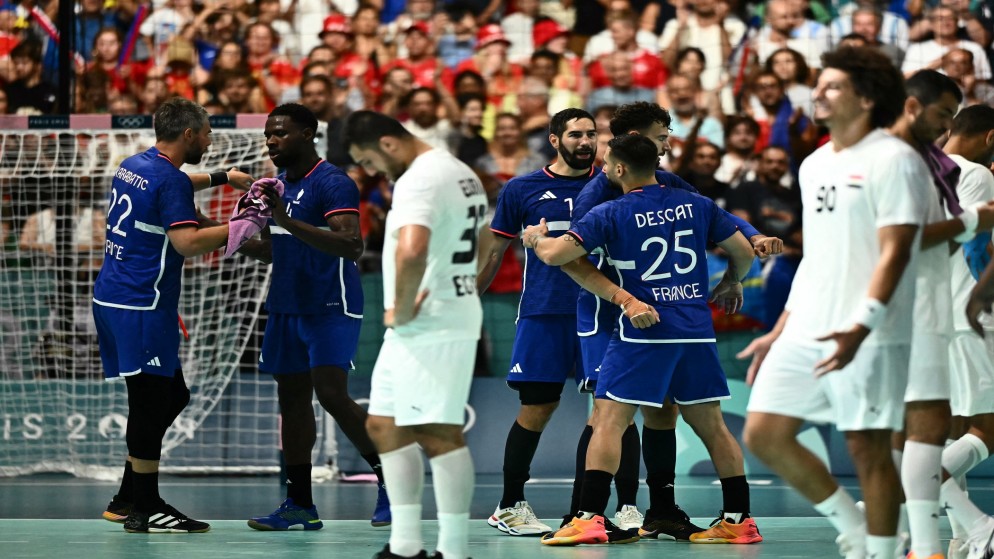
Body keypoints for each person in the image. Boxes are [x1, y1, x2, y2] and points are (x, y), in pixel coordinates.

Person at [739, 47, 932, 559]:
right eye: (819, 84)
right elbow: (818, 256)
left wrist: (861, 325)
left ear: (865, 98)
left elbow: (896, 252)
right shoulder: (814, 164)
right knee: (765, 433)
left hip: (871, 331)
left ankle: (883, 551)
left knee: (869, 449)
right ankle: (856, 529)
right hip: (808, 325)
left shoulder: (895, 160)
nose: (819, 93)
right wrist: (780, 328)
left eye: (833, 86)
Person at [526, 133, 761, 546]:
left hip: (644, 331)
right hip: (696, 331)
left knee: (608, 420)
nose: (604, 169)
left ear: (619, 168)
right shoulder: (696, 204)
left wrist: (535, 239)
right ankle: (738, 521)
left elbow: (556, 256)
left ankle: (588, 518)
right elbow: (743, 250)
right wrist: (731, 281)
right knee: (714, 428)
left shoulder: (612, 211)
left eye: (606, 164)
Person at [236, 103, 390, 531]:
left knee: (332, 395)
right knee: (291, 402)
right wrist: (215, 228)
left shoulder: (332, 182)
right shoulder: (277, 186)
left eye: (280, 133)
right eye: (268, 135)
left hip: (330, 304)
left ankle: (393, 480)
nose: (271, 141)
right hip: (286, 304)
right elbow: (273, 249)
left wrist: (284, 218)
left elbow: (351, 243)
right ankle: (300, 504)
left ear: (308, 134)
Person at [344, 110, 487, 559]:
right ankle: (405, 546)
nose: (371, 171)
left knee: (438, 432)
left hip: (429, 322)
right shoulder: (460, 171)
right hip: (423, 322)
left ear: (388, 144)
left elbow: (412, 249)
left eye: (368, 161)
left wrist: (403, 308)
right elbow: (484, 239)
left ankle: (455, 550)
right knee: (383, 425)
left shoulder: (418, 180)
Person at [477, 108, 623, 539]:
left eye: (591, 134)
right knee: (537, 407)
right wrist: (469, 298)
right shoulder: (521, 188)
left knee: (609, 410)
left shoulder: (614, 184)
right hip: (544, 311)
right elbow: (494, 251)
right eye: (575, 134)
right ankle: (509, 505)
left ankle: (584, 512)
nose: (586, 142)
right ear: (555, 140)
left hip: (600, 311)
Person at [92, 97, 235, 533]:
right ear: (188, 134)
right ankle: (145, 506)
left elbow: (173, 185)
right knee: (149, 403)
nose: (209, 142)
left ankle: (127, 497)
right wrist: (242, 226)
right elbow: (187, 244)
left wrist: (223, 176)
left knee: (172, 397)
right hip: (141, 305)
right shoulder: (169, 180)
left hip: (112, 297)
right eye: (207, 134)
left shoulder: (133, 164)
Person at [888, 69, 972, 559]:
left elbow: (945, 239)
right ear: (912, 106)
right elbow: (906, 238)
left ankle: (918, 540)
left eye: (953, 117)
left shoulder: (942, 166)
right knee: (902, 430)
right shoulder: (883, 160)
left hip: (928, 310)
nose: (947, 126)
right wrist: (978, 219)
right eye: (943, 114)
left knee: (921, 427)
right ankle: (908, 536)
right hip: (895, 312)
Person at [938, 106, 994, 559]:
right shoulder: (976, 174)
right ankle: (897, 490)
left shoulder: (923, 170)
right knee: (987, 430)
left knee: (955, 430)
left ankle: (962, 538)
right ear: (991, 137)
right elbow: (975, 246)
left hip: (932, 320)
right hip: (969, 316)